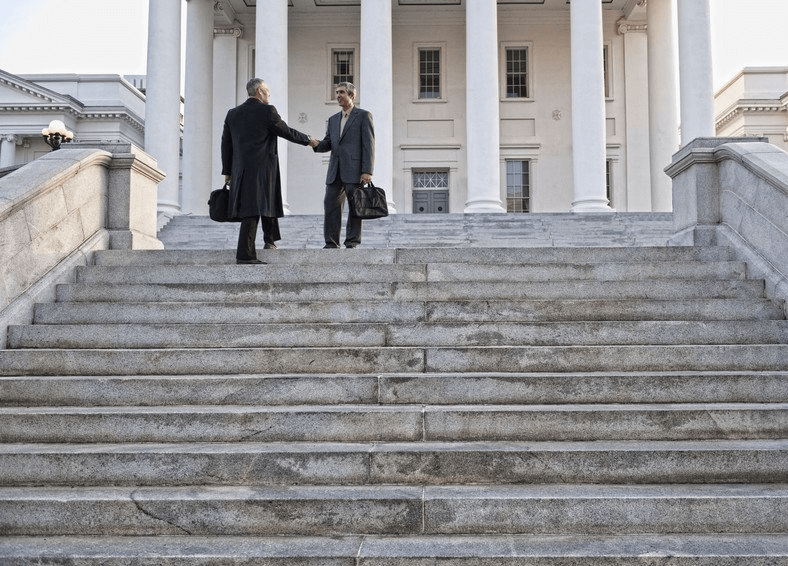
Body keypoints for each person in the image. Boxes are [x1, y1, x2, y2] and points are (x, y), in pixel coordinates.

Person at [221, 78, 318, 264]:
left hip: (240, 170)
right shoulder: (267, 111)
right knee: (253, 209)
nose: (269, 93)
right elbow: (286, 131)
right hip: (263, 169)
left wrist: (228, 171)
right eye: (267, 90)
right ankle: (245, 255)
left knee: (268, 201)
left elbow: (226, 145)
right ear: (259, 91)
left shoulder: (232, 114)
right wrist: (309, 140)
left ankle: (270, 240)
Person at [313, 82, 375, 249]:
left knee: (356, 208)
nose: (338, 95)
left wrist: (367, 170)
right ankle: (331, 243)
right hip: (335, 172)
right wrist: (314, 144)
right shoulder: (333, 120)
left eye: (341, 92)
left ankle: (352, 242)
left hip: (355, 172)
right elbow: (328, 143)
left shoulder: (363, 116)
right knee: (330, 206)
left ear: (352, 95)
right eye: (336, 92)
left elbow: (368, 145)